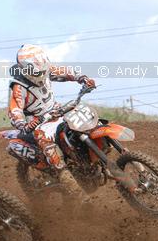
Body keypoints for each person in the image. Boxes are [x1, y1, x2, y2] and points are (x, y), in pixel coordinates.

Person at [7, 44, 96, 200]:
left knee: (86, 120)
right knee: (49, 147)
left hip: (58, 111)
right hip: (39, 123)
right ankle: (79, 194)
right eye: (38, 72)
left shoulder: (45, 69)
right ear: (26, 70)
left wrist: (82, 78)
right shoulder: (18, 86)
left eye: (44, 69)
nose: (42, 74)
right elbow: (14, 109)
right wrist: (22, 124)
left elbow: (64, 72)